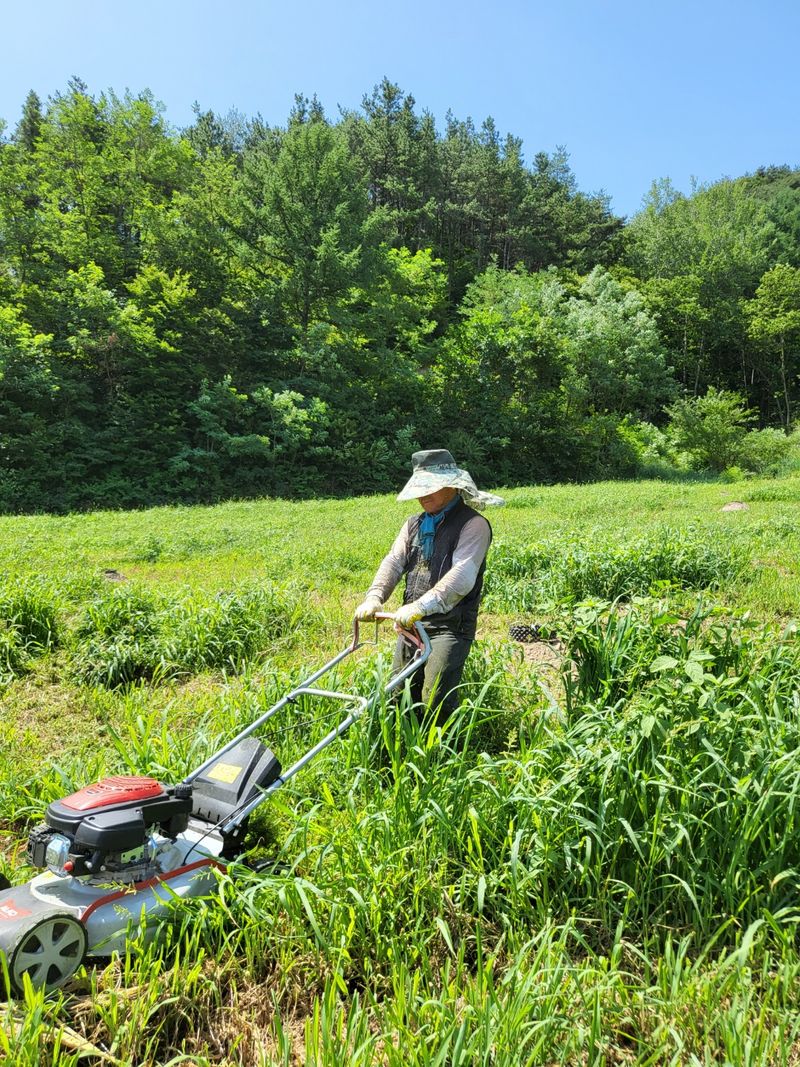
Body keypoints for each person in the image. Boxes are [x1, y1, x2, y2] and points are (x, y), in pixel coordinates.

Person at [354, 449, 504, 722]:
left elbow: (462, 576)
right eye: (420, 489)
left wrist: (421, 605)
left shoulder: (474, 525)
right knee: (398, 696)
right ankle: (403, 751)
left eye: (430, 488)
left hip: (450, 625)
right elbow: (394, 562)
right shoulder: (413, 524)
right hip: (412, 624)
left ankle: (446, 756)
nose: (423, 496)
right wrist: (375, 597)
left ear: (451, 485)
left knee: (436, 698)